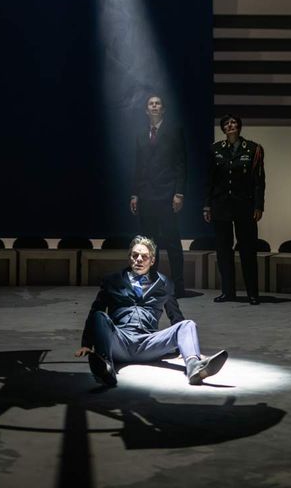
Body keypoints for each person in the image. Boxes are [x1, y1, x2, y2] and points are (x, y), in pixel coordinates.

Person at [75, 235, 228, 387]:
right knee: (99, 316)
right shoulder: (112, 280)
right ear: (129, 257)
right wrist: (86, 344)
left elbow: (175, 315)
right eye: (135, 255)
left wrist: (188, 347)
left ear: (152, 261)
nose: (139, 259)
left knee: (187, 325)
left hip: (149, 343)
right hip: (119, 341)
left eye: (144, 256)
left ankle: (194, 367)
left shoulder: (164, 283)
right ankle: (106, 368)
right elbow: (96, 310)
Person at [203, 113, 266, 305]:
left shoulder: (253, 149)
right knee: (223, 250)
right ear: (223, 129)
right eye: (226, 123)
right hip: (221, 205)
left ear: (239, 126)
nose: (230, 125)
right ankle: (228, 292)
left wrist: (258, 205)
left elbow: (259, 181)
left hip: (244, 206)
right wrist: (207, 205)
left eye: (233, 122)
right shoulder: (215, 149)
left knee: (248, 249)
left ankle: (252, 293)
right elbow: (209, 180)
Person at [130, 95, 187, 297]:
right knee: (148, 244)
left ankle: (178, 286)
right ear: (147, 110)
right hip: (146, 195)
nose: (154, 106)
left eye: (158, 103)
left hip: (167, 194)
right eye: (151, 104)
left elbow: (181, 164)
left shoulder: (174, 131)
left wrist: (179, 193)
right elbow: (138, 167)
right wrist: (134, 194)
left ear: (163, 109)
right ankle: (150, 284)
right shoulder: (140, 134)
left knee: (172, 241)